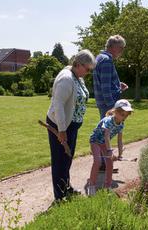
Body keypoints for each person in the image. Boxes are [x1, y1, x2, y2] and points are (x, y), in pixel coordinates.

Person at [46, 49, 96, 201]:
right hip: (61, 126)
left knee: (67, 159)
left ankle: (66, 188)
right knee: (60, 161)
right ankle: (60, 196)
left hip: (71, 126)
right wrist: (61, 130)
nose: (88, 72)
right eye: (87, 69)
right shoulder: (67, 79)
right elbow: (58, 105)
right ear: (78, 64)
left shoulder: (77, 76)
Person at [93, 35, 129, 171]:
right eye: (121, 48)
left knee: (104, 133)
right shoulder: (107, 61)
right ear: (113, 47)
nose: (121, 51)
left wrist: (118, 85)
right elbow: (105, 88)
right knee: (105, 134)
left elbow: (105, 83)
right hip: (107, 104)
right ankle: (103, 164)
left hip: (101, 102)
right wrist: (112, 108)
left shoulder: (99, 58)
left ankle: (103, 163)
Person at [86, 99, 133, 196]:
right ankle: (91, 185)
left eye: (126, 115)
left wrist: (120, 154)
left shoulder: (121, 124)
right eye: (122, 114)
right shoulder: (108, 121)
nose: (124, 118)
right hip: (95, 141)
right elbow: (107, 137)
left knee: (110, 162)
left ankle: (107, 186)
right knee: (98, 161)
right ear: (116, 112)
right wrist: (110, 151)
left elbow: (119, 140)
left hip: (104, 143)